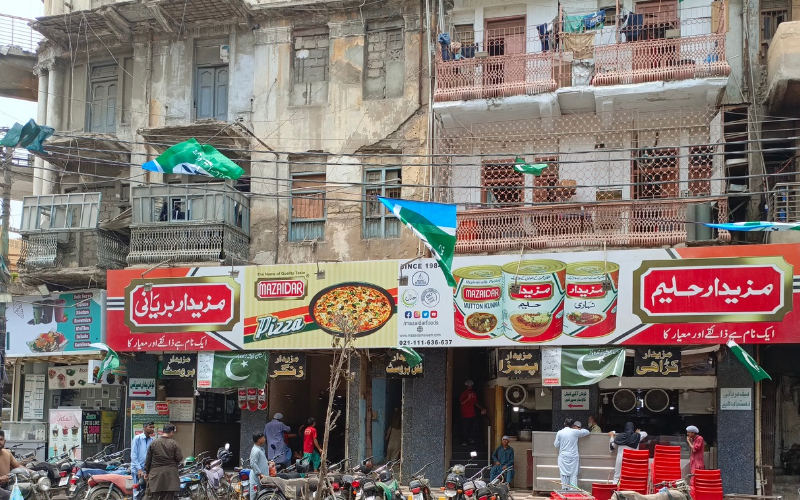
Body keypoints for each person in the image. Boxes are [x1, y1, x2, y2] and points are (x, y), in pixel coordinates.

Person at [144, 424, 184, 500]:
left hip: (155, 475)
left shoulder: (154, 443)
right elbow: (179, 458)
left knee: (153, 496)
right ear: (171, 432)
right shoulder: (174, 443)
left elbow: (148, 459)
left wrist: (146, 472)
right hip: (170, 476)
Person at [554, 418, 590, 490]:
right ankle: (573, 492)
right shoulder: (575, 432)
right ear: (572, 425)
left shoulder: (560, 432)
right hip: (573, 457)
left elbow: (556, 445)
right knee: (573, 474)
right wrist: (578, 429)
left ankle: (565, 490)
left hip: (563, 456)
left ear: (564, 424)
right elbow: (587, 432)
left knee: (564, 474)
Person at [131, 422, 155, 499]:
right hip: (137, 469)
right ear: (144, 428)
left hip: (147, 470)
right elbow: (133, 455)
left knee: (146, 492)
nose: (152, 429)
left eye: (153, 427)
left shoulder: (152, 440)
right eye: (150, 427)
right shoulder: (137, 438)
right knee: (136, 492)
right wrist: (139, 469)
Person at [460, 380, 486, 446]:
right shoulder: (463, 393)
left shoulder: (473, 394)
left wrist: (482, 408)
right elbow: (461, 403)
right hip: (465, 414)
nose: (470, 387)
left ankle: (470, 437)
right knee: (465, 428)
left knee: (475, 425)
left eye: (471, 385)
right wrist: (468, 398)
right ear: (466, 386)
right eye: (468, 386)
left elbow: (475, 403)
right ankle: (464, 441)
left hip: (472, 413)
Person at [0, 430, 22, 500]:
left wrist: (33, 472)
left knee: (24, 488)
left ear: (4, 441)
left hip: (7, 484)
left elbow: (18, 466)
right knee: (5, 495)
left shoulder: (7, 453)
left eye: (1, 439)